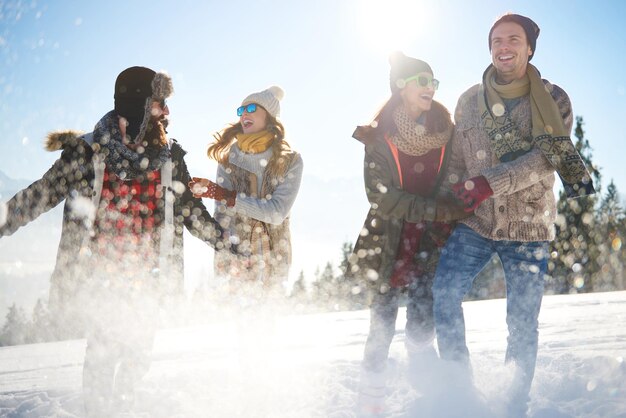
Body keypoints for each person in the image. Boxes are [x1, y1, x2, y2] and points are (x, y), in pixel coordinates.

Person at [0, 66, 232, 417]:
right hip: (99, 277)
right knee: (102, 354)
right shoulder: (87, 153)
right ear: (139, 105)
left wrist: (224, 242)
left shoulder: (170, 159)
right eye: (159, 103)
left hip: (150, 278)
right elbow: (41, 194)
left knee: (138, 358)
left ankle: (123, 405)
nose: (166, 112)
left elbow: (191, 212)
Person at [432, 13, 595, 417]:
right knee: (444, 292)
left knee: (521, 324)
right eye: (496, 40)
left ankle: (512, 404)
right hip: (477, 224)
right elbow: (456, 159)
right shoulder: (469, 100)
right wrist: (446, 208)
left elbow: (548, 158)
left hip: (530, 227)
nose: (503, 46)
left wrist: (493, 181)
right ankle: (459, 392)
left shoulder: (554, 98)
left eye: (513, 39)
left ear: (529, 47)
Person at [349, 52, 469, 415]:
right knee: (381, 325)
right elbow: (382, 198)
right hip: (388, 243)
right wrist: (435, 209)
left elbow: (451, 181)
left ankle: (430, 393)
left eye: (433, 81)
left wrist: (450, 206)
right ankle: (371, 403)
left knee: (421, 325)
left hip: (430, 244)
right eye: (422, 80)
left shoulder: (446, 134)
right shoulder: (379, 138)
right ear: (401, 87)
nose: (430, 87)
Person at [189, 85, 303, 300]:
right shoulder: (229, 159)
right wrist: (224, 255)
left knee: (267, 321)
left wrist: (227, 195)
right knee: (239, 322)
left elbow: (276, 213)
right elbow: (222, 216)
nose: (245, 114)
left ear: (268, 116)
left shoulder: (291, 161)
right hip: (237, 257)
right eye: (241, 111)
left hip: (274, 256)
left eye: (251, 108)